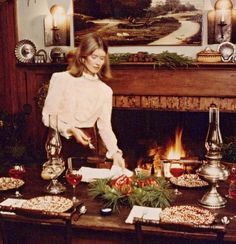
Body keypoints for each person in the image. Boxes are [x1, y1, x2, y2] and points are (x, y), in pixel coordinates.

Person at [42, 33, 125, 169]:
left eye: (102, 58)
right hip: (57, 145)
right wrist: (70, 129)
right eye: (94, 57)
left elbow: (105, 127)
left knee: (86, 189)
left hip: (87, 147)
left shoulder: (105, 91)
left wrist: (116, 153)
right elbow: (47, 116)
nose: (98, 63)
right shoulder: (61, 79)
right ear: (82, 57)